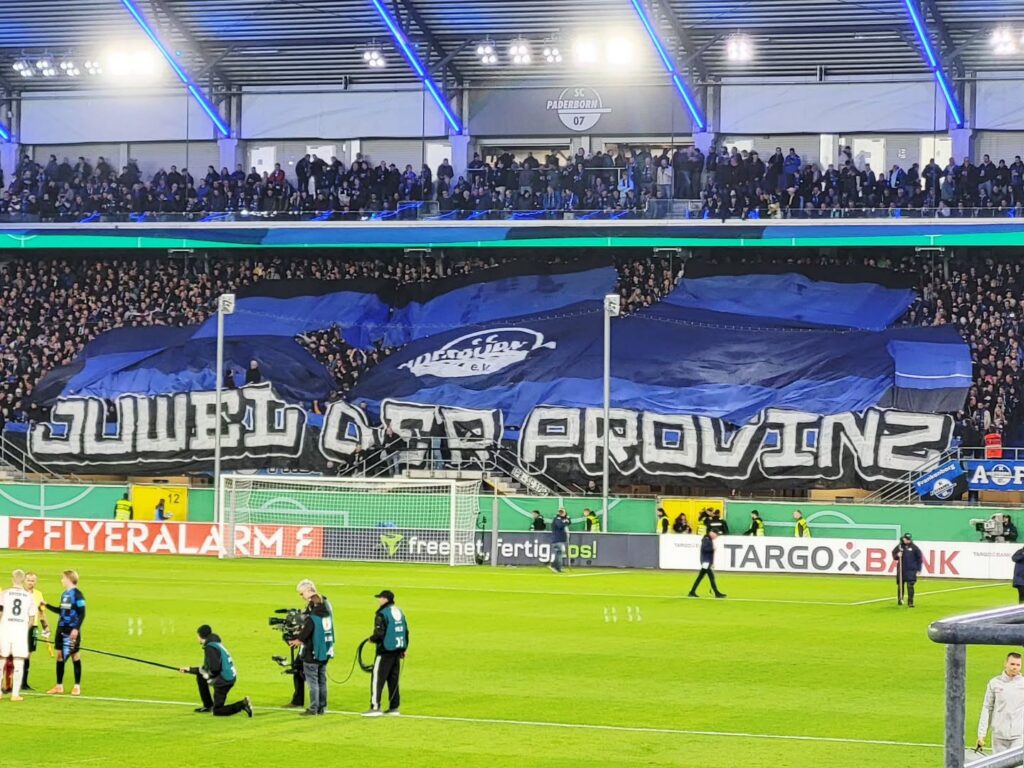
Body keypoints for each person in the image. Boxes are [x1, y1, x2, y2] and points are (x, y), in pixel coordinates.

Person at [179, 625, 252, 717]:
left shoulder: (210, 648)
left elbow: (214, 669)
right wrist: (190, 670)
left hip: (224, 680)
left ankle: (242, 704)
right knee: (201, 676)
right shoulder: (215, 644)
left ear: (201, 636)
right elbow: (207, 668)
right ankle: (208, 706)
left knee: (217, 711)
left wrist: (209, 676)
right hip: (228, 677)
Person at [289, 580, 335, 716]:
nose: (301, 596)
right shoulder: (326, 610)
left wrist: (298, 640)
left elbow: (307, 631)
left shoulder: (313, 617)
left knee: (313, 682)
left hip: (313, 652)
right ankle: (322, 707)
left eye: (302, 593)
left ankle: (313, 708)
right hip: (325, 650)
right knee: (322, 680)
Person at [363, 590, 408, 717]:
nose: (379, 600)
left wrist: (372, 639)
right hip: (397, 651)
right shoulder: (399, 612)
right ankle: (394, 707)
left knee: (377, 679)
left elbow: (379, 633)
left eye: (381, 598)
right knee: (393, 680)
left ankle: (375, 707)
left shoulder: (382, 614)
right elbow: (405, 631)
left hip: (384, 652)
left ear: (386, 599)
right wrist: (403, 649)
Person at [43, 569, 86, 695]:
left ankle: (77, 686)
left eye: (63, 578)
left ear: (68, 579)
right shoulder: (64, 594)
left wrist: (76, 628)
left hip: (71, 630)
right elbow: (61, 611)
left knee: (75, 655)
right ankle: (59, 686)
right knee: (60, 656)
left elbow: (82, 613)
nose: (61, 580)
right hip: (61, 628)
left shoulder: (78, 594)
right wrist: (46, 605)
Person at [0, 569, 38, 702]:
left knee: (1, 661)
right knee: (19, 662)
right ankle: (15, 694)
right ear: (23, 580)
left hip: (5, 630)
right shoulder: (29, 596)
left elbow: (0, 612)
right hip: (20, 632)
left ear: (12, 579)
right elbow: (32, 618)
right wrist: (25, 629)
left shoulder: (4, 594)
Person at [977, 652, 1024, 755]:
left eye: (1018, 665)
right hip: (999, 736)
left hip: (1019, 736)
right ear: (1005, 663)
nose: (1015, 667)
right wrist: (981, 734)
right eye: (1012, 664)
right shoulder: (994, 683)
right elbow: (987, 708)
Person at [21, 571, 49, 691]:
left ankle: (23, 682)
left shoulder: (38, 594)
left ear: (35, 582)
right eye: (28, 580)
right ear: (24, 580)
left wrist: (46, 626)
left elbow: (41, 612)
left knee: (28, 654)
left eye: (32, 581)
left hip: (34, 627)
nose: (30, 583)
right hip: (20, 626)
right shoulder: (19, 593)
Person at [687, 532, 726, 598]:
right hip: (705, 562)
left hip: (707, 562)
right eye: (716, 535)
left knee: (700, 577)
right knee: (711, 577)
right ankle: (716, 593)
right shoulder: (706, 539)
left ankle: (692, 592)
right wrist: (712, 549)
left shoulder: (708, 539)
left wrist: (712, 562)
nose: (716, 537)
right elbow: (705, 549)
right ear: (712, 533)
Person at [893, 533, 923, 607]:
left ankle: (910, 602)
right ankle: (900, 600)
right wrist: (897, 555)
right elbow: (894, 554)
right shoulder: (900, 546)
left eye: (907, 539)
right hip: (901, 569)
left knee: (910, 586)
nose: (906, 540)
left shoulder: (914, 548)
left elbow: (919, 559)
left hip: (911, 570)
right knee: (900, 586)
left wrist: (919, 569)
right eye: (905, 539)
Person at [550, 508, 570, 573]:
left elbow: (569, 522)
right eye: (561, 512)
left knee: (559, 552)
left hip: (560, 539)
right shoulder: (557, 519)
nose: (562, 513)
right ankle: (556, 567)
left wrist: (566, 519)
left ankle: (555, 566)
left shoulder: (562, 519)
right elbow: (560, 525)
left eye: (563, 512)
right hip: (557, 539)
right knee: (559, 552)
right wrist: (565, 521)